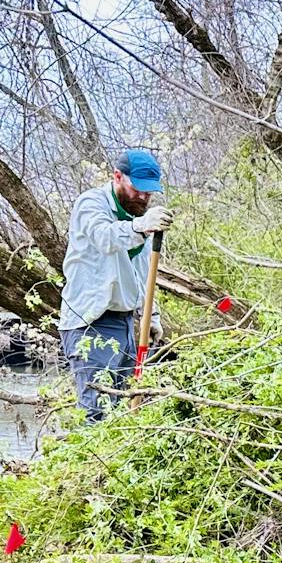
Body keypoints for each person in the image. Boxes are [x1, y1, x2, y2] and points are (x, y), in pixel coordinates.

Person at [61, 149, 171, 422]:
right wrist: (140, 226)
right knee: (95, 409)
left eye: (149, 192)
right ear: (117, 177)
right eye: (137, 189)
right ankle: (87, 465)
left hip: (124, 322)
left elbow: (143, 273)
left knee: (119, 409)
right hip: (89, 322)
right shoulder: (91, 204)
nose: (143, 197)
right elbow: (105, 237)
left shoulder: (142, 220)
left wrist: (152, 315)